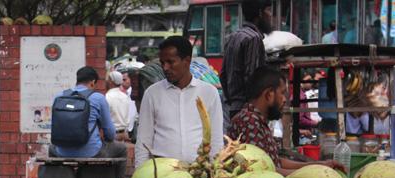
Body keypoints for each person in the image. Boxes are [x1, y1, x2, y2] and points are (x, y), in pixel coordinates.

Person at [228, 66, 345, 175]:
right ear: (269, 94)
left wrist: (319, 165)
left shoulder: (258, 120)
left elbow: (275, 162)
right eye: (282, 93)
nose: (285, 99)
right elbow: (262, 171)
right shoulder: (249, 121)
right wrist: (313, 173)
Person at [136, 36, 224, 167]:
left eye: (171, 62)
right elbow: (143, 141)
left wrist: (215, 171)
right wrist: (140, 175)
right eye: (162, 63)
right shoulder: (152, 94)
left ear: (187, 61)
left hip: (199, 172)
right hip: (162, 173)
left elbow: (216, 139)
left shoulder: (209, 92)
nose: (165, 68)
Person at [50, 66, 127, 178]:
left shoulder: (60, 96)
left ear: (77, 80)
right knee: (122, 149)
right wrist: (107, 139)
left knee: (51, 148)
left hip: (61, 152)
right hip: (92, 152)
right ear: (92, 82)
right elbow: (109, 132)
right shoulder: (97, 98)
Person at [219, 0, 271, 128]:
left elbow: (223, 75)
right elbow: (252, 77)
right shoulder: (253, 38)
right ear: (260, 13)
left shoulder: (234, 36)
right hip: (248, 112)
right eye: (268, 10)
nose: (271, 16)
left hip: (234, 109)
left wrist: (232, 101)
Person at [105, 70, 132, 140]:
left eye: (108, 79)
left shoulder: (107, 97)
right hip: (124, 134)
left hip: (112, 135)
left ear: (111, 81)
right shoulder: (125, 97)